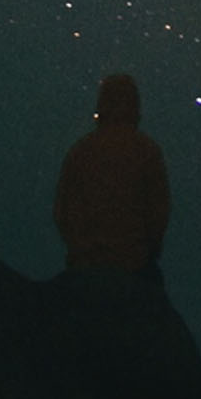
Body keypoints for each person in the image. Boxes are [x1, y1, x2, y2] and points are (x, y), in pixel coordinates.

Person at [54, 73, 170, 281]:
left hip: (85, 268)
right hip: (134, 267)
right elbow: (158, 213)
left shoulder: (81, 152)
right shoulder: (147, 151)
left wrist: (83, 249)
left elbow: (63, 212)